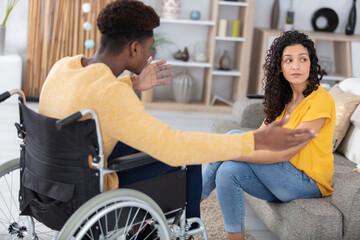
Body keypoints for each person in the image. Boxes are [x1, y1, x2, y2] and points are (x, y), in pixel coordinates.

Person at [38, 0, 316, 223]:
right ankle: (189, 229)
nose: (149, 54)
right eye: (148, 48)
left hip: (51, 183)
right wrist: (257, 140)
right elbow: (174, 147)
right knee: (189, 159)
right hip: (88, 191)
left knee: (146, 146)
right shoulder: (112, 95)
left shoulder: (66, 65)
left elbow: (92, 96)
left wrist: (133, 82)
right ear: (134, 48)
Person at [201, 31, 336, 240]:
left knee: (234, 139)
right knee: (227, 171)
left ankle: (188, 202)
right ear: (280, 67)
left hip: (308, 182)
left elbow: (285, 153)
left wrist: (235, 150)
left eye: (303, 59)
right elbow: (258, 137)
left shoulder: (321, 100)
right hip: (283, 178)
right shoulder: (283, 99)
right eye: (288, 60)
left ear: (312, 63)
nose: (296, 66)